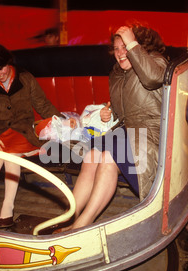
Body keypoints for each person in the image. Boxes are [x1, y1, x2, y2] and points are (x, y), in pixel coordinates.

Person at [57, 24, 168, 232]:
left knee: (108, 158)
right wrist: (108, 115)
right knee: (92, 156)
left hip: (149, 134)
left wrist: (132, 44)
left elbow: (154, 79)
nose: (120, 53)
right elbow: (125, 110)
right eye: (116, 49)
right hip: (126, 131)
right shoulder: (117, 74)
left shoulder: (155, 61)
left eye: (125, 46)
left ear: (139, 45)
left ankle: (82, 225)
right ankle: (68, 216)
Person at [0, 42, 61, 228]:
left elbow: (43, 105)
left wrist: (62, 121)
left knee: (8, 154)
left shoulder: (25, 78)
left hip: (22, 132)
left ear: (8, 62)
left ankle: (6, 206)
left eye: (1, 68)